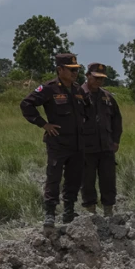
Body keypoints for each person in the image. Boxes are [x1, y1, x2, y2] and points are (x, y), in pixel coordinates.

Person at [19, 53, 91, 226]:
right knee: (54, 178)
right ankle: (50, 213)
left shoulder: (78, 89)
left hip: (77, 144)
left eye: (77, 69)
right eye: (71, 69)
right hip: (58, 143)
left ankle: (69, 211)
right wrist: (44, 124)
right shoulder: (49, 88)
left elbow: (86, 111)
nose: (75, 73)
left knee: (74, 178)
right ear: (60, 69)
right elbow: (26, 104)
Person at [79, 63, 123, 217]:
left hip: (106, 147)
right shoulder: (78, 95)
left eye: (102, 78)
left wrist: (116, 140)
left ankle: (108, 211)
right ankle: (91, 212)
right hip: (86, 148)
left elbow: (117, 120)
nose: (99, 81)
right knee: (87, 181)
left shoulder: (108, 97)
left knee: (108, 180)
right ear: (87, 75)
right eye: (96, 77)